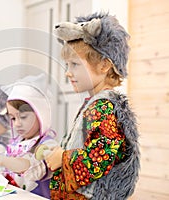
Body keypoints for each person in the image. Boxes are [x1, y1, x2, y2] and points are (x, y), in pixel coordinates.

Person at [44, 12, 140, 199]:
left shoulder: (104, 108)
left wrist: (62, 158)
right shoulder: (94, 105)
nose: (68, 73)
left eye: (75, 65)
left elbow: (99, 159)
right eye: (67, 65)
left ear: (104, 65)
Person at [0, 74, 59, 199]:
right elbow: (9, 174)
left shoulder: (48, 146)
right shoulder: (17, 144)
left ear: (41, 114)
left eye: (23, 117)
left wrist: (2, 161)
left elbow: (31, 167)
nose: (17, 124)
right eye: (13, 118)